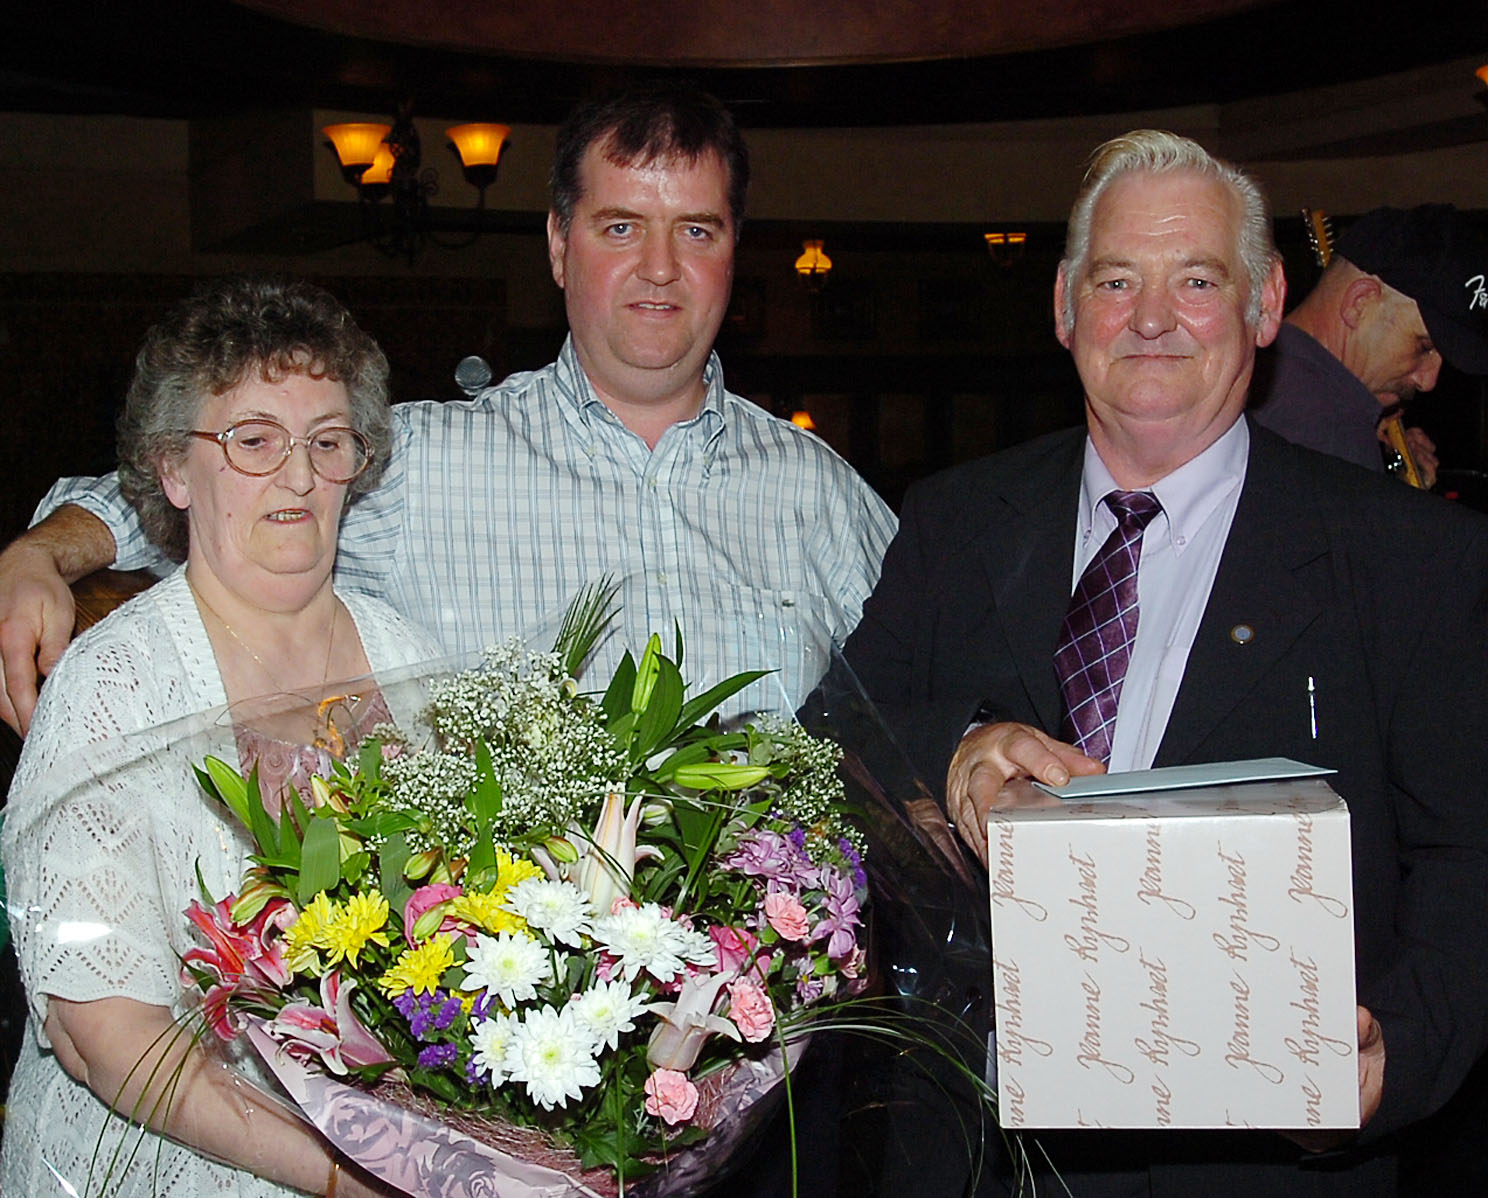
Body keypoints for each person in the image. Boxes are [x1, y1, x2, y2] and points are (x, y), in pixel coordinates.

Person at [842, 130, 1488, 1196]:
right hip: (970, 1157)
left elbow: (1468, 857)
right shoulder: (956, 522)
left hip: (1260, 1165)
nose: (1150, 318)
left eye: (1196, 279)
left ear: (1265, 304)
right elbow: (831, 738)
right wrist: (954, 750)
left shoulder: (1409, 557)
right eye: (1115, 281)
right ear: (1064, 307)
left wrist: (1398, 1054)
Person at [0, 82, 896, 736]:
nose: (660, 268)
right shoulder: (424, 463)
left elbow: (931, 679)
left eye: (696, 231)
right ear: (559, 245)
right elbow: (217, 476)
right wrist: (41, 553)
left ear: (734, 252)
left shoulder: (818, 492)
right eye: (620, 226)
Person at [2, 276, 441, 1196]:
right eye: (254, 440)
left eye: (328, 442)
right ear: (173, 470)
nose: (298, 476)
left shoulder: (410, 657)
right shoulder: (112, 686)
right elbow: (101, 1034)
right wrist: (349, 1173)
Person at [1250, 203, 1488, 488]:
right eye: (1424, 347)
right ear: (1360, 303)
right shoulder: (1334, 430)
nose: (1428, 381)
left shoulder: (1253, 375)